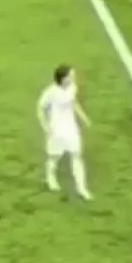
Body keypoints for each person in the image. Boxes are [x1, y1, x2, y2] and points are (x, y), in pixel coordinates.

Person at [37, 64, 92, 200]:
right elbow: (40, 108)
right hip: (56, 131)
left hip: (71, 129)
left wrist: (83, 117)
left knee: (76, 156)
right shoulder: (50, 92)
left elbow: (73, 103)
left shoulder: (72, 87)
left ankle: (81, 188)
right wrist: (45, 126)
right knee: (54, 157)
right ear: (62, 79)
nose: (73, 78)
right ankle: (50, 178)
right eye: (70, 76)